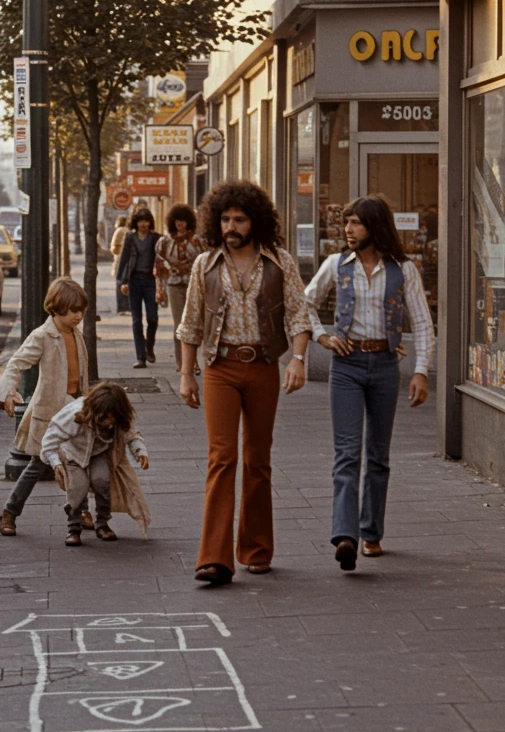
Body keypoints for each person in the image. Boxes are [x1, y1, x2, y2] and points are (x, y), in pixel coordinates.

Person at [176, 179, 312, 584]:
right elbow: (190, 325)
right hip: (220, 368)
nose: (231, 227)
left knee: (257, 459)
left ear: (255, 222)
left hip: (263, 366)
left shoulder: (279, 261)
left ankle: (255, 548)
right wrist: (186, 375)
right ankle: (214, 557)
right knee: (222, 458)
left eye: (239, 219)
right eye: (225, 219)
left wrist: (299, 361)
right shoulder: (205, 265)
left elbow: (298, 315)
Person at [305, 195, 435, 571]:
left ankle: (371, 532)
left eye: (356, 223)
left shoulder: (403, 269)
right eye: (346, 223)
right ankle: (345, 535)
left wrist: (422, 371)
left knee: (378, 455)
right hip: (345, 366)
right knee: (347, 453)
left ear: (374, 227)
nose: (347, 230)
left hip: (383, 365)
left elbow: (423, 323)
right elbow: (304, 302)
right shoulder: (336, 265)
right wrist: (322, 337)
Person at [0, 276, 92, 537]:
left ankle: (81, 510)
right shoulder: (42, 336)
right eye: (74, 311)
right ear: (57, 308)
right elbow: (16, 363)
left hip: (75, 411)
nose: (79, 315)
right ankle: (9, 512)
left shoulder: (75, 333)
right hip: (49, 414)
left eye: (82, 310)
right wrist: (8, 390)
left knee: (78, 461)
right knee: (37, 465)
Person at [40, 380, 151, 546]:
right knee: (78, 488)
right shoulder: (73, 415)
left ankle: (102, 523)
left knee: (102, 481)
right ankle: (74, 527)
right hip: (74, 455)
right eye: (104, 418)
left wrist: (140, 451)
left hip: (99, 452)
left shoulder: (117, 419)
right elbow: (49, 443)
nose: (107, 422)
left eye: (111, 418)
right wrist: (56, 464)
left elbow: (130, 434)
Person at [155, 204, 204, 372]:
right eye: (177, 221)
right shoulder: (165, 242)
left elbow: (206, 263)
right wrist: (160, 290)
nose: (180, 224)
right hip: (174, 284)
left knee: (194, 323)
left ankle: (193, 361)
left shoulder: (197, 241)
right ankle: (181, 361)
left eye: (183, 221)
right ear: (173, 222)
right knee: (179, 324)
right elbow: (159, 268)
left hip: (194, 285)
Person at [118, 207, 160, 368]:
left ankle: (149, 347)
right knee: (136, 320)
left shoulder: (156, 238)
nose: (144, 224)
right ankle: (141, 357)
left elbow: (161, 260)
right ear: (136, 222)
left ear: (150, 222)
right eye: (141, 220)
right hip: (134, 281)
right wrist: (123, 281)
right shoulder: (130, 238)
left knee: (152, 318)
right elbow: (124, 259)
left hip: (151, 281)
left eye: (146, 220)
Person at [110, 215, 130, 315]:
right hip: (129, 261)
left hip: (120, 261)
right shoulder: (129, 230)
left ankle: (122, 308)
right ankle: (128, 307)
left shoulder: (119, 230)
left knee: (120, 283)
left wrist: (119, 252)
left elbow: (113, 247)